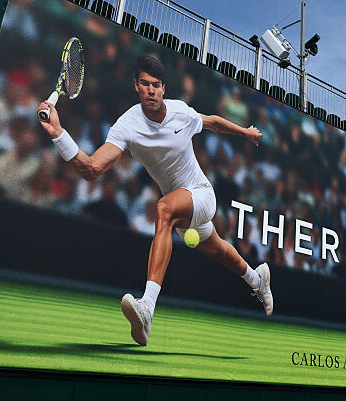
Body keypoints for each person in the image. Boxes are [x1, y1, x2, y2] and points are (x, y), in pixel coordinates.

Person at [37, 54, 272, 346]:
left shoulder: (180, 112)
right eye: (145, 84)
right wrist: (59, 133)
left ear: (164, 88)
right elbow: (92, 169)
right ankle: (257, 279)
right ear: (137, 85)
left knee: (164, 208)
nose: (151, 90)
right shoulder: (127, 126)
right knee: (220, 252)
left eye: (157, 85)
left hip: (201, 194)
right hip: (182, 207)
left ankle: (147, 307)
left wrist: (245, 131)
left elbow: (211, 122)